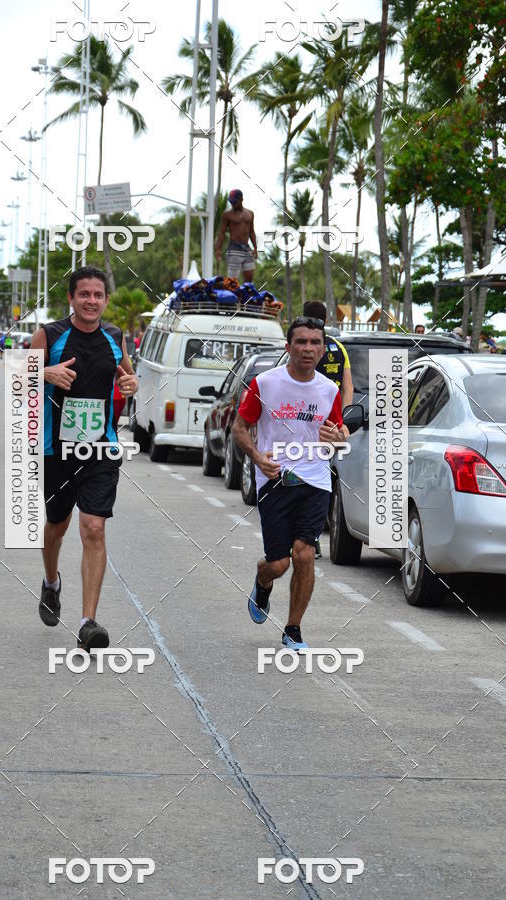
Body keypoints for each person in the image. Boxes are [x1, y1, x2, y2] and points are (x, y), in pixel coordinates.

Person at [30, 265, 138, 651]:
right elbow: (17, 376)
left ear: (106, 300)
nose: (91, 301)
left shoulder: (113, 335)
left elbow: (127, 375)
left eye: (98, 295)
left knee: (93, 527)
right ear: (71, 298)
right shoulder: (50, 334)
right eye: (84, 294)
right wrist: (44, 372)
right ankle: (50, 582)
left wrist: (131, 380)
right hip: (56, 451)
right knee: (56, 526)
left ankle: (87, 622)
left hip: (101, 449)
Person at [232, 316, 350, 651]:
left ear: (323, 349)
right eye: (301, 342)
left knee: (304, 554)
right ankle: (262, 578)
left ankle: (293, 629)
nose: (308, 349)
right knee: (279, 563)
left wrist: (337, 438)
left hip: (315, 480)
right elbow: (240, 428)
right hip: (275, 479)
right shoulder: (266, 383)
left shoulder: (330, 390)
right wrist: (257, 457)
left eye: (315, 342)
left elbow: (338, 436)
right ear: (288, 347)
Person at [302, 301, 353, 558]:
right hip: (330, 424)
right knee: (323, 477)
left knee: (300, 476)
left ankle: (307, 535)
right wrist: (342, 420)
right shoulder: (338, 347)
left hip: (304, 420)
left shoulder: (302, 344)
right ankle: (312, 534)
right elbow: (348, 388)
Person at [214, 189, 258, 282]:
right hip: (234, 249)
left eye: (234, 202)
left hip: (247, 248)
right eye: (231, 202)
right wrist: (218, 249)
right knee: (232, 282)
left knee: (249, 279)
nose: (232, 204)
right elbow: (221, 232)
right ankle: (231, 296)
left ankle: (246, 296)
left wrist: (255, 248)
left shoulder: (250, 214)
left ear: (241, 199)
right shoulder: (227, 214)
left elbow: (251, 231)